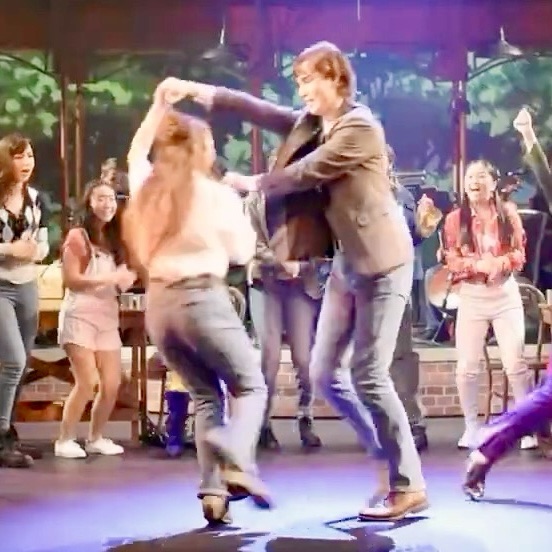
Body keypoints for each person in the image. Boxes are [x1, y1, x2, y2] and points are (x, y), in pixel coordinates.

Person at [172, 40, 427, 521]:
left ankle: (408, 484)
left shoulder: (360, 127)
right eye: (299, 82)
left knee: (369, 374)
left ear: (336, 78)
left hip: (384, 262)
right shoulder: (312, 123)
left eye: (310, 79)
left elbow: (310, 170)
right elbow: (258, 109)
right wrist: (196, 90)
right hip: (348, 264)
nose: (303, 89)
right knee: (324, 374)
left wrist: (254, 183)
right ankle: (383, 453)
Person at [122, 78, 271, 525]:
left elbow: (135, 153)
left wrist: (157, 106)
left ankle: (212, 494)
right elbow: (242, 253)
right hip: (201, 298)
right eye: (209, 144)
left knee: (206, 395)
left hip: (160, 307)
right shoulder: (215, 194)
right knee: (251, 384)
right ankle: (236, 457)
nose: (213, 151)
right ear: (198, 150)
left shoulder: (148, 188)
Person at [462, 108, 552, 499]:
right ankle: (489, 444)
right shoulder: (461, 218)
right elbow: (546, 178)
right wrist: (528, 135)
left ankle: (491, 445)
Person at [442, 159, 536, 450]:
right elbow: (451, 259)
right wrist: (476, 266)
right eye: (470, 177)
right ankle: (471, 427)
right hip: (472, 296)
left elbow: (519, 254)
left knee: (515, 365)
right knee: (467, 367)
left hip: (505, 294)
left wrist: (499, 263)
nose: (475, 181)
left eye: (481, 176)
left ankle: (525, 427)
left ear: (493, 183)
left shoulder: (508, 213)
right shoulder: (455, 219)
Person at [54, 179, 136, 458]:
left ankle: (95, 437)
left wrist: (126, 279)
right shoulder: (78, 236)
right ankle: (65, 439)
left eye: (111, 199)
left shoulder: (116, 240)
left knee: (112, 384)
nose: (107, 204)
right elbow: (72, 280)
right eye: (101, 198)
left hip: (107, 316)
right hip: (79, 315)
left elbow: (124, 276)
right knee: (87, 381)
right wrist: (110, 277)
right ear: (89, 203)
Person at [244, 186, 326, 450]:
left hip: (300, 285)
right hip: (265, 282)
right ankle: (263, 424)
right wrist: (280, 264)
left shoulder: (311, 198)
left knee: (304, 358)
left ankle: (305, 417)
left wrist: (300, 267)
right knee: (270, 356)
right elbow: (250, 242)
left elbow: (324, 246)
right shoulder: (256, 200)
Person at [387, 145, 442, 452]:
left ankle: (413, 422)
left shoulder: (402, 196)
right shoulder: (352, 194)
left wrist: (423, 228)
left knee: (402, 357)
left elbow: (413, 238)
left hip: (396, 286)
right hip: (362, 288)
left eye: (385, 161)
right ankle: (381, 425)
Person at [0, 133, 50, 468]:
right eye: (19, 156)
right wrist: (11, 250)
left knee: (22, 364)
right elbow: (13, 248)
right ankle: (1, 434)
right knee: (14, 361)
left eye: (29, 155)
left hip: (28, 284)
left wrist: (35, 251)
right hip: (1, 286)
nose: (26, 162)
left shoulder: (35, 198)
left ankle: (8, 434)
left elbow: (43, 243)